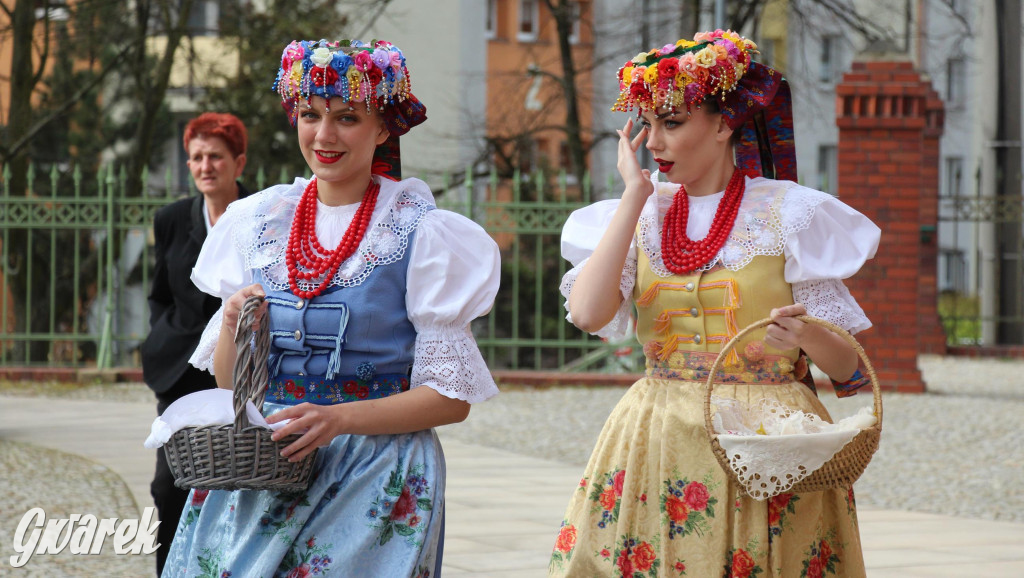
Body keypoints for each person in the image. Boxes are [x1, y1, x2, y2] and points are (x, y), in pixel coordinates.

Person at [160, 39, 500, 577]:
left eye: (347, 118)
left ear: (384, 127)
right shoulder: (259, 221)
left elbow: (449, 400)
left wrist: (339, 419)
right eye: (309, 115)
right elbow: (232, 387)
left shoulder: (420, 232)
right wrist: (231, 324)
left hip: (373, 475)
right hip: (266, 468)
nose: (324, 135)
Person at [548, 30, 880, 577]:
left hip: (770, 444)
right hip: (659, 435)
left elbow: (850, 372)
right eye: (647, 124)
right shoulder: (639, 215)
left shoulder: (790, 214)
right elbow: (587, 315)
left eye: (672, 123)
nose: (653, 142)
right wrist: (634, 195)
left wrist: (806, 337)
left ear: (725, 123)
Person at [141, 112, 249, 575]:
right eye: (197, 157)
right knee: (170, 486)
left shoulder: (258, 216)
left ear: (238, 163)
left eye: (216, 157)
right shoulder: (170, 220)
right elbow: (159, 294)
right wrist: (161, 343)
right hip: (179, 374)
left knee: (237, 482)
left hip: (241, 372)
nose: (206, 166)